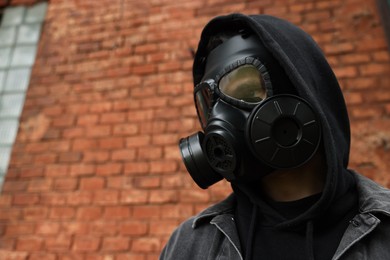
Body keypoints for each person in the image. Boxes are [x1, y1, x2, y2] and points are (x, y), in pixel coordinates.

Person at [159, 13, 390, 260]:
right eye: (209, 105)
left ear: (305, 95)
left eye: (246, 91)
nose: (220, 118)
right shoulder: (189, 245)